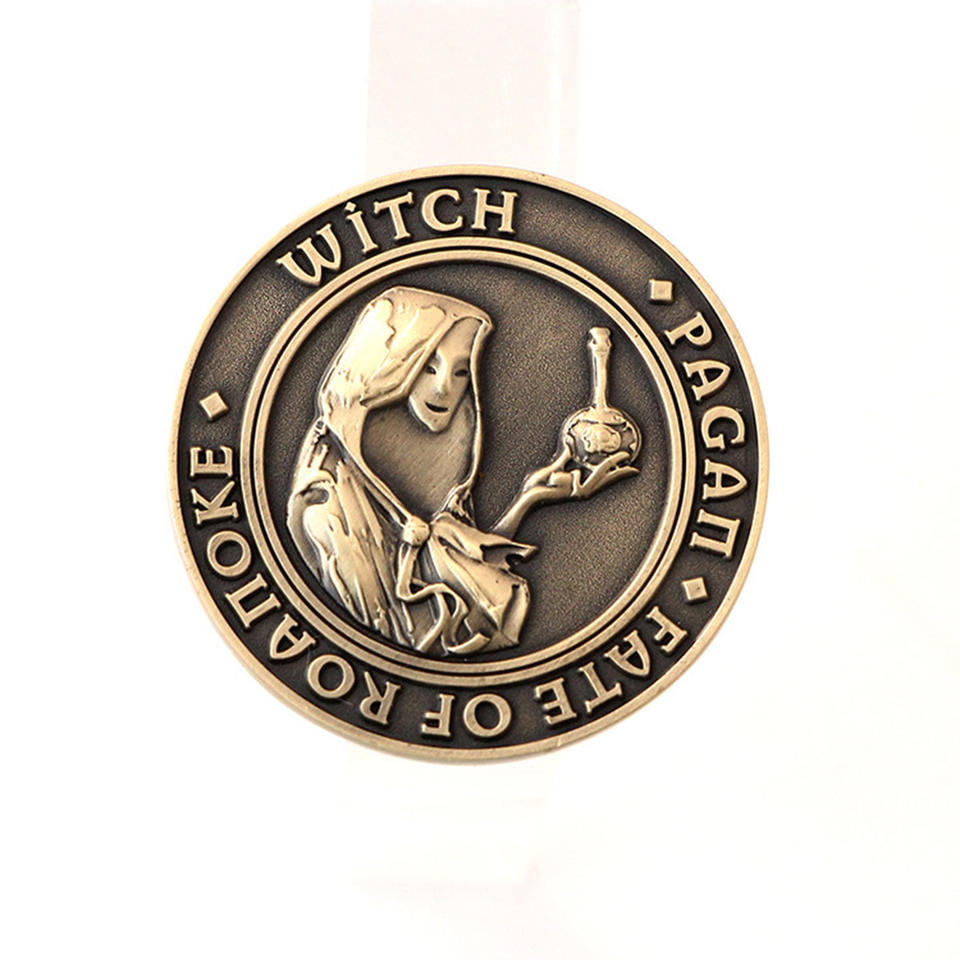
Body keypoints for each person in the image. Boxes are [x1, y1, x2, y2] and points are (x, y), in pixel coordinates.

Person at [287, 286, 635, 656]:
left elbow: (463, 570)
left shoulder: (446, 472)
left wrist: (531, 497)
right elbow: (408, 637)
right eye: (428, 367)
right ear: (387, 367)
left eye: (461, 372)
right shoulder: (327, 504)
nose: (444, 389)